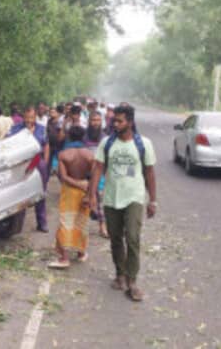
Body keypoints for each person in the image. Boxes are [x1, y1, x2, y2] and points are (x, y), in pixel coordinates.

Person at [89, 105, 157, 302]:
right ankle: (120, 274)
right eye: (114, 121)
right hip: (111, 198)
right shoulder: (107, 143)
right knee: (116, 238)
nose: (115, 124)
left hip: (134, 197)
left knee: (133, 238)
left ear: (130, 122)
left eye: (119, 121)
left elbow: (150, 173)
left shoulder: (144, 144)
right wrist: (92, 195)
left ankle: (132, 281)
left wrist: (153, 200)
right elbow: (98, 169)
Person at [49, 126, 94, 268]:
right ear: (83, 137)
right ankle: (81, 253)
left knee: (66, 222)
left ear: (69, 136)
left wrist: (76, 184)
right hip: (85, 190)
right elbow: (94, 176)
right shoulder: (90, 155)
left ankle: (64, 258)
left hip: (69, 191)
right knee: (81, 221)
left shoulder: (64, 154)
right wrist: (85, 188)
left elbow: (63, 177)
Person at [9, 107, 50, 232]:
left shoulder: (42, 129)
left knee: (40, 192)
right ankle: (18, 225)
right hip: (22, 165)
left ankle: (42, 223)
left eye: (31, 117)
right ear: (23, 117)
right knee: (20, 193)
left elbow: (46, 145)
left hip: (39, 163)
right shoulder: (15, 129)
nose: (29, 120)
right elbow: (8, 144)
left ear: (35, 117)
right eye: (26, 117)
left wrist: (45, 161)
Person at [84, 111, 109, 238]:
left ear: (101, 122)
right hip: (83, 173)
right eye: (93, 120)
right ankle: (80, 229)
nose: (95, 123)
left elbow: (107, 157)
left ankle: (102, 227)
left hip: (99, 173)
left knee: (99, 199)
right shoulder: (83, 136)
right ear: (89, 121)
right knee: (82, 200)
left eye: (98, 120)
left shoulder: (105, 138)